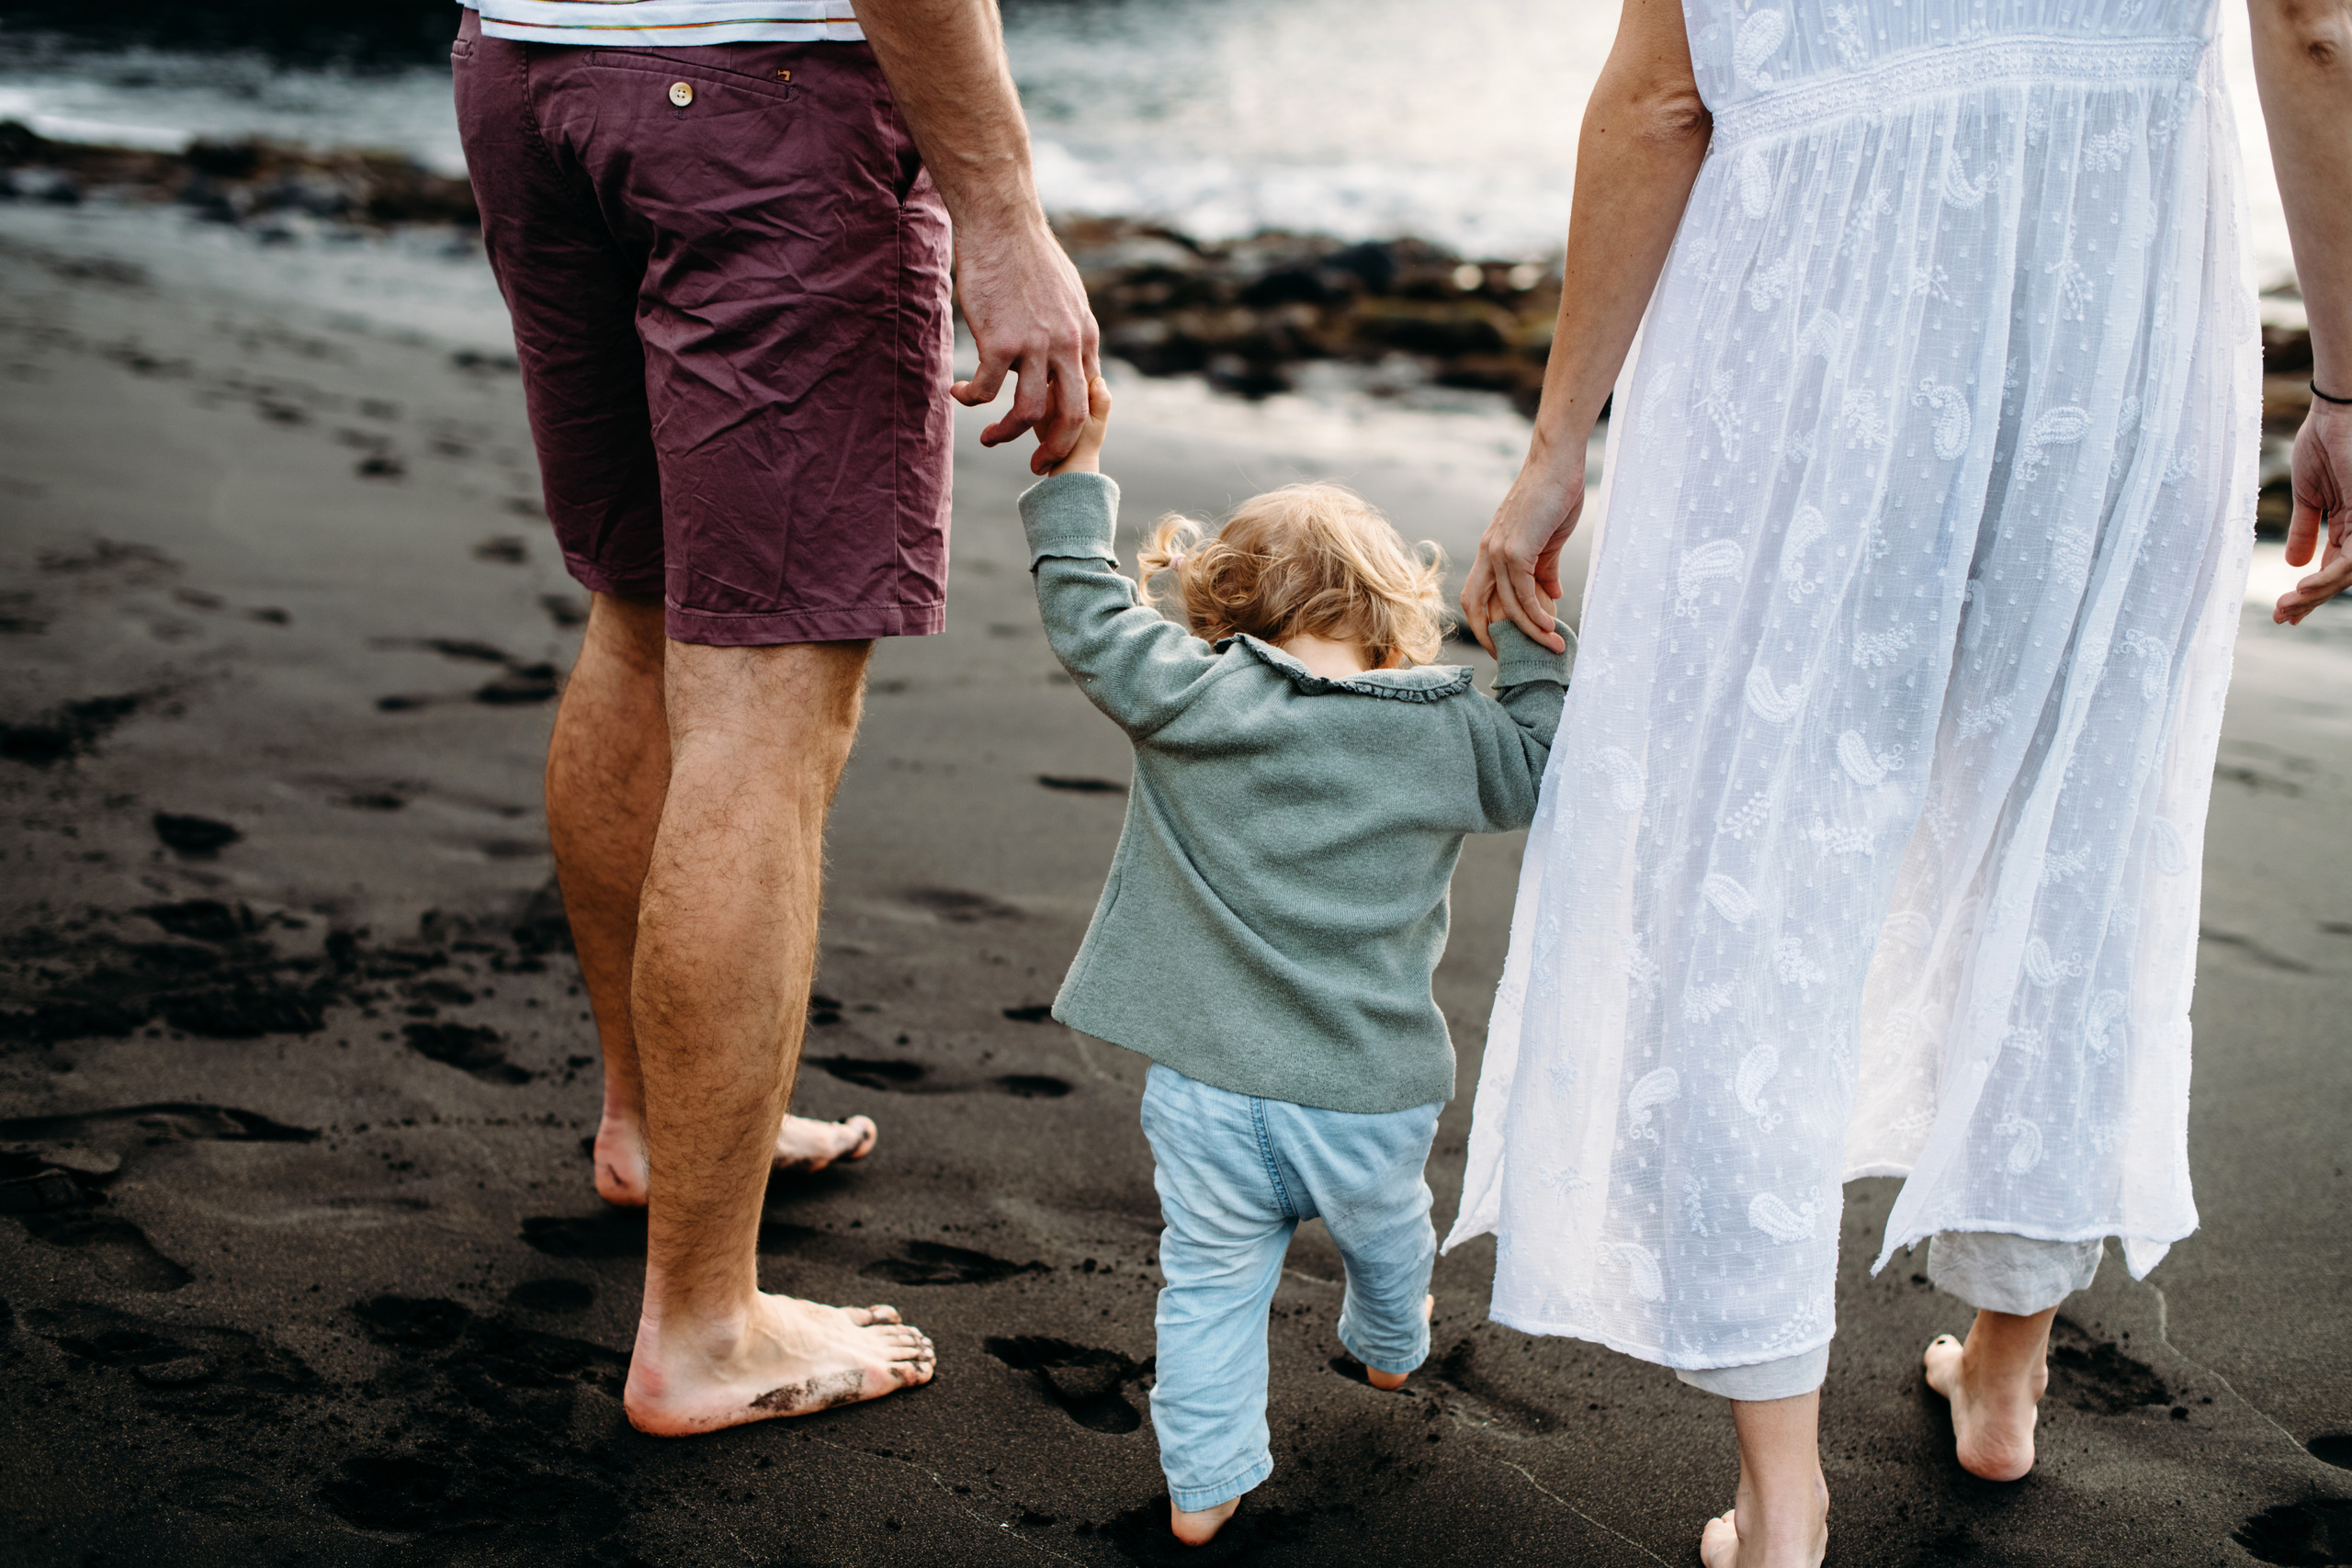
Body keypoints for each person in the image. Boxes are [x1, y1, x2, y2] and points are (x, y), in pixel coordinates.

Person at [1449, 0, 2350, 1562]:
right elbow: (2315, 30)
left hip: (1801, 328)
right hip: (2117, 313)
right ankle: (2004, 1378)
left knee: (1759, 843)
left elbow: (1662, 99)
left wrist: (1556, 441)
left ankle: (1782, 1496)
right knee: (2068, 827)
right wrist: (2344, 388)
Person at [450, 0, 1099, 1433]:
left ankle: (646, 1129)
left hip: (527, 65)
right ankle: (703, 1322)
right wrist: (1001, 215)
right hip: (762, 105)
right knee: (761, 700)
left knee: (638, 617)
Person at [1018, 380, 1574, 1544]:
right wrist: (1523, 628)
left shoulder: (1193, 693)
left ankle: (1205, 1486)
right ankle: (1387, 1345)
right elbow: (1539, 761)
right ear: (1391, 610)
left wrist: (1072, 485)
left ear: (1222, 606)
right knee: (1387, 1243)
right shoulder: (1447, 730)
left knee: (1211, 1284)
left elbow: (1087, 617)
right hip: (1370, 1095)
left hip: (1208, 1092)